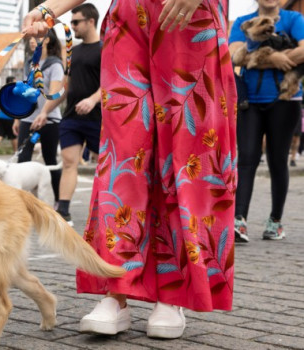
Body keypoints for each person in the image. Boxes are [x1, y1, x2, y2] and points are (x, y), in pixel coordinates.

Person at [25, 0, 236, 339]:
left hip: (188, 17)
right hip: (128, 22)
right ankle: (116, 288)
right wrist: (49, 8)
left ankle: (174, 292)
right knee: (122, 158)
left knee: (186, 157)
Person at [229, 0, 304, 242]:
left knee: (277, 160)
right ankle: (239, 220)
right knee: (247, 158)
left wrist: (257, 57)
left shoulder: (294, 20)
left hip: (285, 100)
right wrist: (277, 59)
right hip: (249, 101)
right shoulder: (243, 21)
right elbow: (234, 56)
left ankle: (275, 221)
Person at [55, 3, 102, 226]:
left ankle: (107, 209)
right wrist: (44, 112)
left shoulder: (105, 49)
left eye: (76, 22)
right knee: (68, 162)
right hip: (72, 117)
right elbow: (66, 86)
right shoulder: (74, 51)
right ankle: (63, 210)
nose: (72, 26)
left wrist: (93, 100)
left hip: (98, 117)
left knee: (103, 164)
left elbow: (112, 83)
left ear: (90, 21)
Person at [12, 30, 65, 206]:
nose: (32, 42)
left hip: (49, 119)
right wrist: (17, 118)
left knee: (50, 159)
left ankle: (59, 201)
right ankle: (22, 203)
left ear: (47, 40)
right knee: (22, 160)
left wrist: (44, 113)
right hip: (28, 118)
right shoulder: (29, 65)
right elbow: (22, 93)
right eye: (31, 39)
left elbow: (55, 92)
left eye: (37, 38)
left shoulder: (55, 65)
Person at [0, 76, 18, 153]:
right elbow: (16, 106)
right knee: (13, 136)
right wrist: (16, 118)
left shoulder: (3, 91)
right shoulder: (14, 92)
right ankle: (16, 152)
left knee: (0, 134)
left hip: (1, 116)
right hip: (10, 117)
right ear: (10, 82)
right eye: (14, 81)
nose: (15, 83)